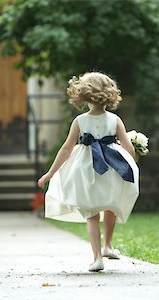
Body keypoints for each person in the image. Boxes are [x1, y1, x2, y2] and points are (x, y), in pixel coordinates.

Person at [37, 72, 139, 272]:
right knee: (111, 204)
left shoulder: (80, 121)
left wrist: (50, 173)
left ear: (82, 94)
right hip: (113, 168)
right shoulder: (115, 120)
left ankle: (97, 257)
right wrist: (133, 161)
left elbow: (66, 149)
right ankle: (108, 244)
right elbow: (128, 148)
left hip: (86, 170)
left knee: (91, 214)